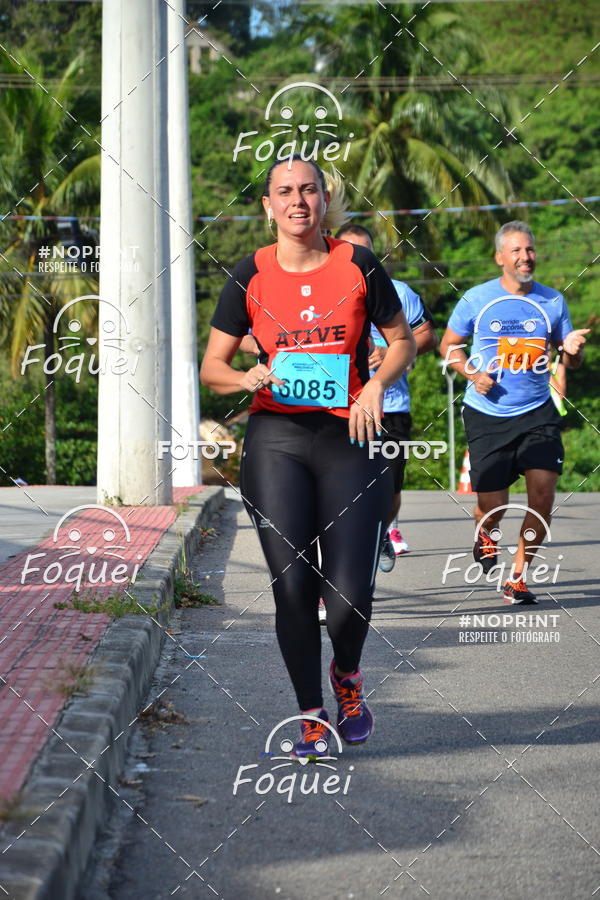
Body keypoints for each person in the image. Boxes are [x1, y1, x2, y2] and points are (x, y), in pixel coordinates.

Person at [200, 156, 416, 757]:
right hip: (276, 442)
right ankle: (312, 716)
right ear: (268, 205)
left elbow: (401, 342)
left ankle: (346, 675)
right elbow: (210, 368)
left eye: (309, 190)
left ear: (325, 200)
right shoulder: (250, 273)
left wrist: (374, 385)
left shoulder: (358, 265)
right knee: (292, 585)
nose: (298, 201)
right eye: (285, 192)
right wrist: (245, 378)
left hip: (349, 439)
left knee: (349, 596)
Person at [439, 221, 588, 604]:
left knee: (542, 495)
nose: (526, 257)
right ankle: (485, 532)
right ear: (500, 257)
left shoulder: (553, 301)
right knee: (494, 507)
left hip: (537, 412)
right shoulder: (476, 299)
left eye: (531, 249)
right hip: (487, 412)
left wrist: (571, 347)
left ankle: (518, 576)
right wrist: (471, 372)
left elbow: (570, 361)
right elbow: (448, 346)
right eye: (517, 251)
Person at [336, 223, 438, 572]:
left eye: (365, 253)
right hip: (339, 410)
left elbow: (426, 337)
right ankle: (341, 565)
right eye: (349, 252)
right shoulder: (324, 294)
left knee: (389, 487)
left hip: (390, 407)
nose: (358, 260)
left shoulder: (398, 292)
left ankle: (381, 532)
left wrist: (389, 355)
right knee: (340, 490)